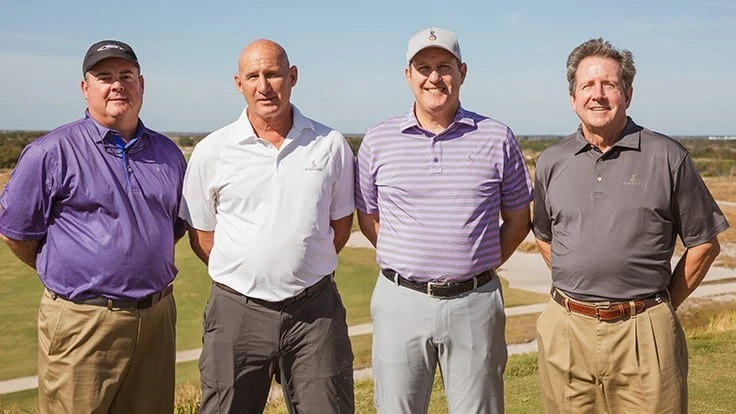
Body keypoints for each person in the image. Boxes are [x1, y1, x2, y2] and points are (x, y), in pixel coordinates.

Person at [533, 38, 730, 413]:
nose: (598, 94)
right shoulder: (551, 161)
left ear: (628, 93)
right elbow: (543, 235)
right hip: (566, 330)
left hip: (644, 330)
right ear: (572, 98)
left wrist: (661, 305)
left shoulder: (667, 156)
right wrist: (577, 280)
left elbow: (705, 244)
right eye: (587, 85)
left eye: (609, 84)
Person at [0, 40, 187, 413]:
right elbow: (15, 233)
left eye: (126, 76)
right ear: (85, 89)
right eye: (104, 77)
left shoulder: (169, 154)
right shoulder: (50, 152)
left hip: (156, 318)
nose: (117, 85)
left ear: (142, 85)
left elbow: (173, 226)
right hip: (82, 321)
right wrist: (74, 273)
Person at [355, 27, 533, 413]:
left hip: (475, 302)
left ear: (463, 72)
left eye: (444, 67)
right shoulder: (378, 139)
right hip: (400, 301)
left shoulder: (497, 137)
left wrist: (474, 263)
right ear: (408, 75)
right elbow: (369, 217)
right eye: (423, 67)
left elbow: (519, 219)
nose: (434, 77)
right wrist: (411, 259)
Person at [179, 39, 355, 413]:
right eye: (253, 76)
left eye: (273, 74)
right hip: (236, 310)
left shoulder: (330, 145)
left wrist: (298, 265)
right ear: (238, 83)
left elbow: (339, 226)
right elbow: (201, 235)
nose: (264, 85)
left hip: (314, 313)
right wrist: (250, 270)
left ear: (292, 76)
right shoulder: (213, 150)